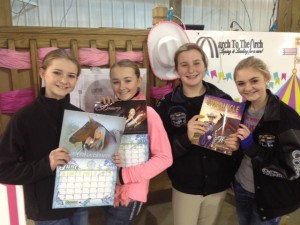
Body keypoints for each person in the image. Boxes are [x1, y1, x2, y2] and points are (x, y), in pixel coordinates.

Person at [155, 43, 241, 225]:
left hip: (218, 185)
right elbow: (161, 152)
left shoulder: (223, 100)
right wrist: (186, 137)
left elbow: (232, 147)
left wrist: (235, 146)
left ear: (205, 65)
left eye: (196, 63)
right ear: (177, 69)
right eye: (184, 64)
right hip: (185, 187)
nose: (191, 70)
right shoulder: (166, 105)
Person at [0, 49, 89, 225]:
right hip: (47, 210)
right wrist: (46, 165)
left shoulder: (81, 117)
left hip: (80, 202)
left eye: (71, 76)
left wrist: (107, 158)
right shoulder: (24, 118)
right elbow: (3, 170)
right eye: (57, 72)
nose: (64, 80)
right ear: (43, 73)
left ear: (76, 80)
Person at [101, 59, 173, 225]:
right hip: (106, 188)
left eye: (128, 80)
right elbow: (101, 146)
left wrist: (124, 176)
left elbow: (165, 158)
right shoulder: (111, 110)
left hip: (130, 193)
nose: (121, 87)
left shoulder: (149, 114)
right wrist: (103, 112)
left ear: (139, 81)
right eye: (116, 82)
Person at [233, 56, 300, 225]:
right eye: (241, 83)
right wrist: (233, 147)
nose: (247, 88)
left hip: (271, 195)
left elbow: (293, 168)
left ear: (267, 79)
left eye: (254, 80)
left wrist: (251, 147)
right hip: (242, 186)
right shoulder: (238, 112)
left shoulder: (286, 117)